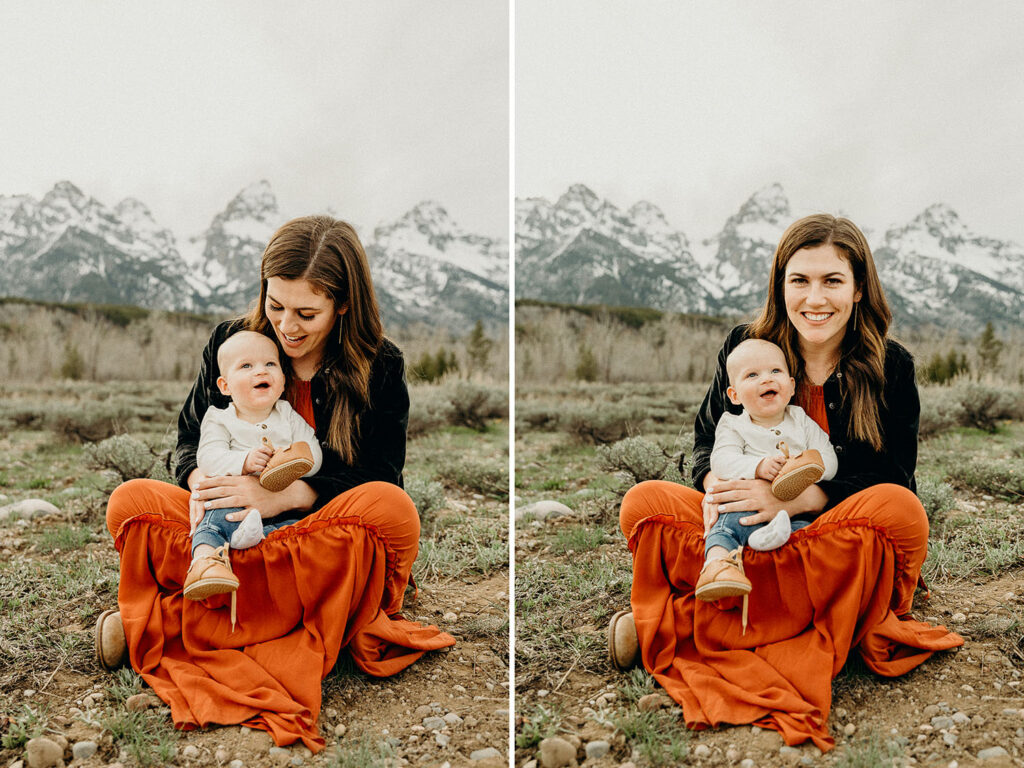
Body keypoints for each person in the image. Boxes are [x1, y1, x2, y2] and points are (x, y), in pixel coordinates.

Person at [95, 216, 456, 753]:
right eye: (276, 305)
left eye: (306, 313)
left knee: (391, 507)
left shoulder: (379, 364)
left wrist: (286, 494)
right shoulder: (231, 343)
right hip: (230, 522)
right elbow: (189, 441)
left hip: (314, 533)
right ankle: (259, 602)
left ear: (343, 305)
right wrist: (206, 485)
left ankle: (172, 621)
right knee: (131, 502)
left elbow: (381, 474)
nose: (286, 326)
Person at [607, 214, 962, 752]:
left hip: (828, 534)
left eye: (832, 281)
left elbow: (893, 475)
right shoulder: (746, 346)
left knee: (899, 509)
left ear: (859, 288)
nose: (814, 298)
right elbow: (705, 442)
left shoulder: (890, 365)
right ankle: (798, 609)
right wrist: (718, 486)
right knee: (645, 503)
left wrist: (796, 492)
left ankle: (685, 622)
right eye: (800, 280)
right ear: (780, 285)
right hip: (745, 522)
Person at [185, 331, 324, 628]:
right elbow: (208, 458)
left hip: (281, 508)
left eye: (270, 364)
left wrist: (293, 460)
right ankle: (205, 563)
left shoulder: (286, 414)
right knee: (213, 519)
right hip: (231, 502)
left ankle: (260, 550)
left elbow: (312, 450)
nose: (260, 371)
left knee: (297, 527)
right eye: (246, 366)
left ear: (283, 380)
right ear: (224, 385)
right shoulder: (219, 418)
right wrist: (244, 462)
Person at [697, 339, 838, 625]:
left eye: (775, 371)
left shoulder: (800, 420)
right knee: (725, 525)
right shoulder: (733, 424)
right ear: (734, 395)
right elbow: (721, 461)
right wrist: (757, 467)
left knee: (804, 531)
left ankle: (779, 564)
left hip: (791, 510)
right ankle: (716, 566)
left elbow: (829, 459)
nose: (766, 379)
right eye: (752, 375)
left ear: (791, 385)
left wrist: (804, 466)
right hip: (743, 503)